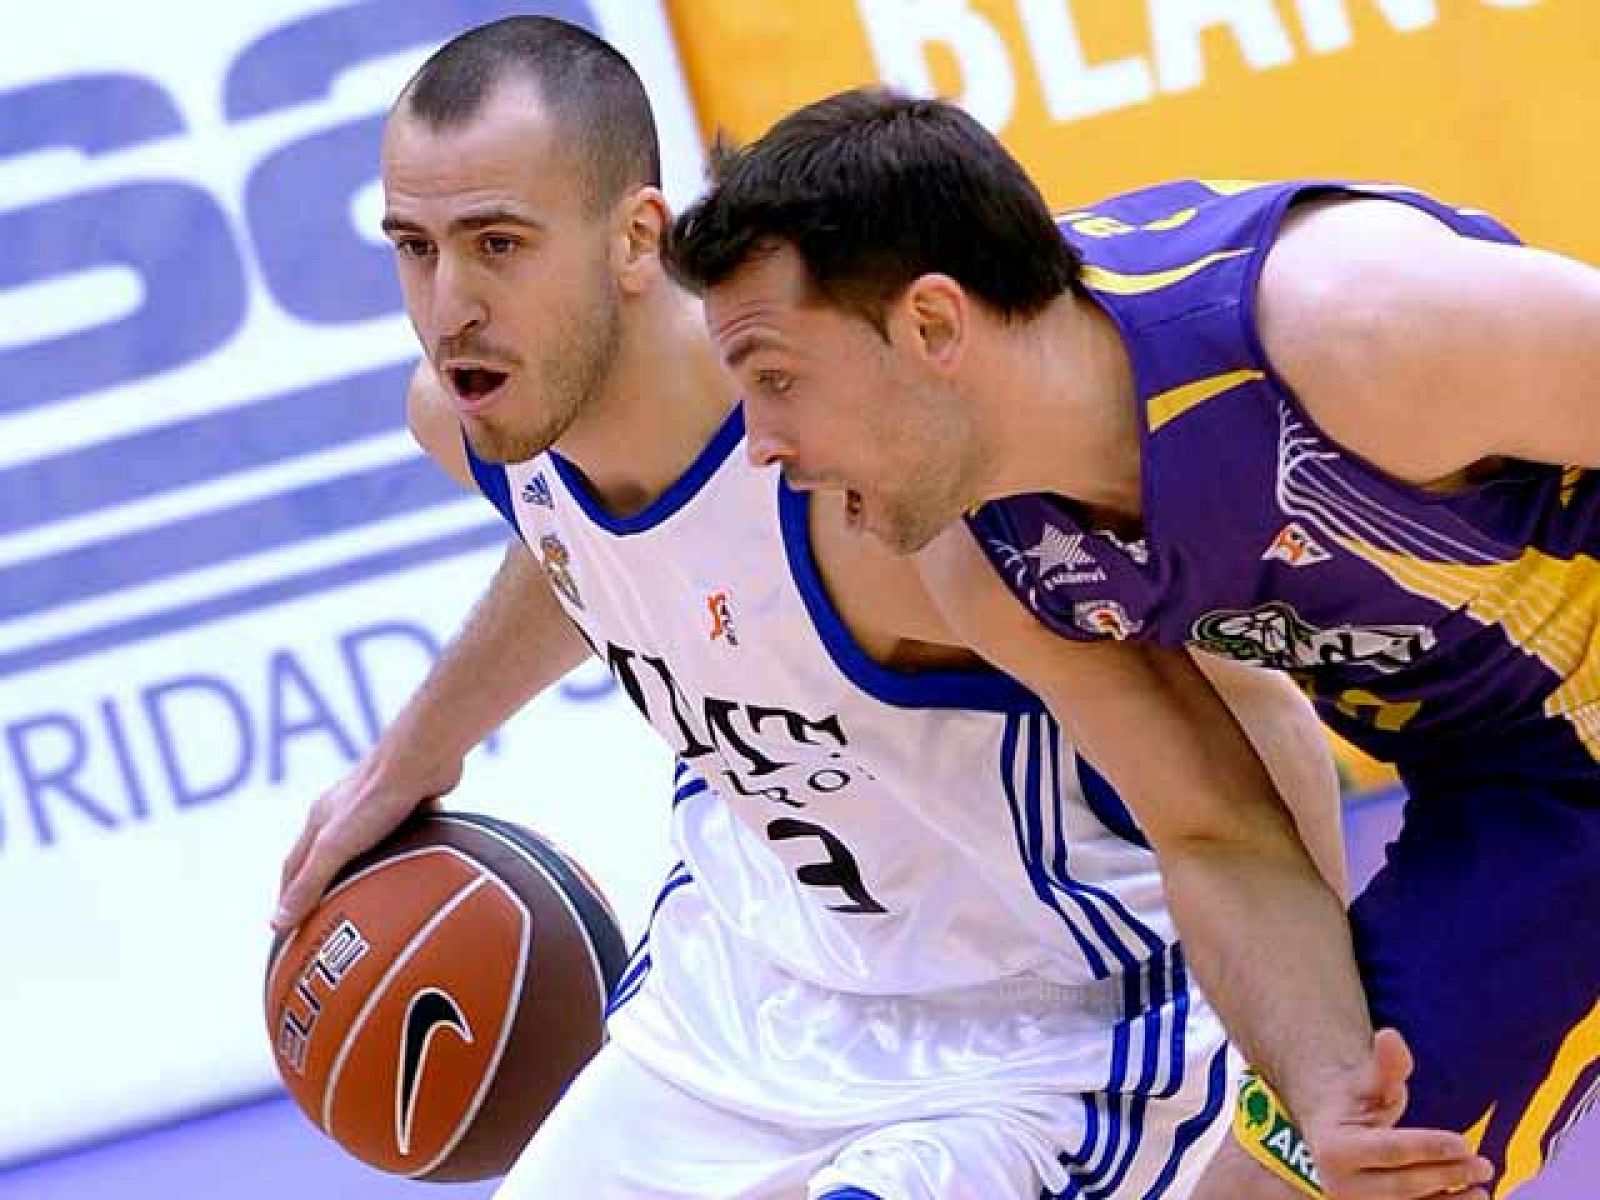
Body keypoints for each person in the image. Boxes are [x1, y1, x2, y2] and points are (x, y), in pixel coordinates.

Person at [272, 19, 1349, 1200]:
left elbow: (1256, 711)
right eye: (414, 248)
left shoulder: (864, 485)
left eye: (498, 245)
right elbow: (590, 552)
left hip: (1031, 1035)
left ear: (637, 239)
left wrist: (1304, 1090)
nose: (450, 304)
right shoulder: (472, 420)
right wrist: (409, 756)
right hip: (744, 987)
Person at [662, 84, 1600, 1200]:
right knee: (1302, 1182)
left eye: (776, 380)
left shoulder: (1352, 325)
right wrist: (1322, 1089)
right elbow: (1215, 831)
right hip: (1520, 797)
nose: (762, 446)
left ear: (930, 325)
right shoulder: (985, 556)